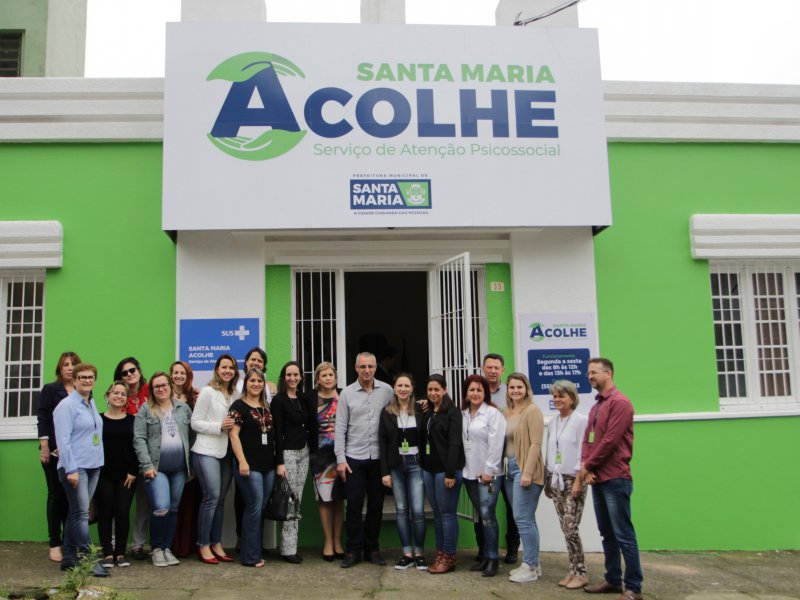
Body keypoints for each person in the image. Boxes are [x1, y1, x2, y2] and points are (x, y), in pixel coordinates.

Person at [579, 358, 643, 600]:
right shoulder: (597, 406)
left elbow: (610, 441)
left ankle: (634, 588)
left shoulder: (620, 403)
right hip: (597, 478)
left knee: (624, 534)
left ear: (609, 373)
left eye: (594, 372)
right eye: (588, 373)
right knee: (607, 533)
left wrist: (588, 466)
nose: (590, 376)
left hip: (616, 478)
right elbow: (589, 439)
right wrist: (586, 466)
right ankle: (613, 579)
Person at [335, 352, 393, 568]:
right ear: (355, 368)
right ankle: (353, 549)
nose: (367, 370)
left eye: (370, 366)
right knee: (354, 506)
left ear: (376, 367)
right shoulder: (347, 394)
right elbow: (340, 428)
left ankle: (372, 548)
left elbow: (400, 413)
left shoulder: (387, 391)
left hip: (379, 458)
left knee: (377, 506)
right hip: (354, 458)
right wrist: (341, 459)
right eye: (363, 366)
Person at [52, 362, 107, 576]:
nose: (86, 380)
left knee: (76, 512)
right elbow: (63, 441)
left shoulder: (90, 403)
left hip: (94, 465)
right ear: (74, 380)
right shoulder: (66, 406)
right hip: (76, 468)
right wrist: (71, 469)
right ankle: (89, 559)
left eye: (90, 377)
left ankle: (68, 557)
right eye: (82, 377)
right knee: (81, 514)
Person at [133, 371, 192, 568]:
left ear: (170, 385)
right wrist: (147, 465)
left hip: (179, 470)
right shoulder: (146, 410)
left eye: (164, 384)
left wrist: (191, 465)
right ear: (152, 390)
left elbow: (192, 436)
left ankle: (167, 548)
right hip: (156, 470)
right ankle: (156, 548)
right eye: (156, 386)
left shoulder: (183, 409)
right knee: (161, 508)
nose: (161, 388)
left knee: (173, 509)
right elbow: (139, 439)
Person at [191, 354, 238, 564]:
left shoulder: (235, 394)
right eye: (224, 367)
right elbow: (195, 422)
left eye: (231, 367)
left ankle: (216, 542)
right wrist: (218, 426)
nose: (228, 370)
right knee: (211, 497)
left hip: (227, 453)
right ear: (217, 369)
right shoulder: (208, 392)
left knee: (220, 501)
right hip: (206, 450)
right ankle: (203, 544)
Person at [379, 373, 427, 571]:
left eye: (407, 385)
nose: (403, 389)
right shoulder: (387, 412)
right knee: (401, 510)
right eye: (400, 385)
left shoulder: (421, 409)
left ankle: (420, 553)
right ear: (394, 388)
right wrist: (385, 472)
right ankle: (407, 553)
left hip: (416, 464)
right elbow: (382, 443)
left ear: (412, 388)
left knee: (417, 510)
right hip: (396, 466)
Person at [544, 380, 589, 589]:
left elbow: (584, 452)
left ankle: (581, 572)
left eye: (561, 396)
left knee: (571, 526)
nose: (557, 400)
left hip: (574, 479)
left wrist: (580, 479)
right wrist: (547, 479)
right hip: (556, 479)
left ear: (572, 397)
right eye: (554, 396)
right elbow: (550, 452)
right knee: (564, 526)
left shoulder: (580, 421)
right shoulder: (553, 422)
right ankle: (572, 570)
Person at [229, 369, 276, 568]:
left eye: (259, 381)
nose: (256, 384)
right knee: (254, 507)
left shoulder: (266, 407)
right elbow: (233, 435)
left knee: (261, 508)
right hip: (249, 465)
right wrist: (242, 460)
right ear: (245, 383)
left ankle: (255, 552)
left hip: (268, 465)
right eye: (252, 380)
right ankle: (249, 556)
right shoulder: (238, 406)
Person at [271, 360, 317, 564]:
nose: (292, 378)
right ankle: (288, 549)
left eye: (295, 375)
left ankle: (292, 546)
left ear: (301, 377)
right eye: (288, 375)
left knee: (297, 497)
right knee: (289, 499)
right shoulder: (279, 401)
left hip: (304, 452)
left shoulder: (304, 399)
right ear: (284, 377)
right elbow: (277, 433)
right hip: (287, 454)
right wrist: (279, 461)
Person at [37, 351, 80, 563]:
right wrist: (44, 445)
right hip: (54, 453)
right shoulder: (50, 390)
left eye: (73, 364)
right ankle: (55, 543)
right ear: (60, 368)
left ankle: (68, 541)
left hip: (75, 454)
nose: (70, 368)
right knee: (56, 496)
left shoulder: (82, 392)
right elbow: (43, 417)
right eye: (66, 364)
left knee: (71, 500)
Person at [419, 374, 465, 574]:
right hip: (429, 470)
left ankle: (449, 557)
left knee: (447, 514)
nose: (433, 393)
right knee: (437, 514)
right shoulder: (429, 411)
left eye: (437, 389)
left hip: (446, 471)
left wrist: (450, 473)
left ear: (445, 390)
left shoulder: (453, 412)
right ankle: (439, 554)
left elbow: (455, 443)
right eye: (430, 390)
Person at [461, 374, 506, 577]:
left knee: (488, 515)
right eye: (472, 390)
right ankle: (484, 555)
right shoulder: (462, 414)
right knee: (480, 515)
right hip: (469, 473)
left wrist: (489, 470)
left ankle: (493, 558)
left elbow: (497, 445)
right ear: (466, 393)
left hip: (488, 474)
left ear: (485, 393)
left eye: (479, 390)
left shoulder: (492, 414)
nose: (475, 393)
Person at [504, 372, 545, 584]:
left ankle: (529, 566)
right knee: (526, 518)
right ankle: (534, 564)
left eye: (519, 387)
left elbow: (536, 444)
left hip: (524, 468)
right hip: (509, 469)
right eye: (512, 387)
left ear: (526, 388)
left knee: (522, 518)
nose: (515, 391)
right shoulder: (508, 412)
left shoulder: (532, 411)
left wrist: (527, 472)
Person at [481, 352, 519, 565]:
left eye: (497, 368)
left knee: (512, 506)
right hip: (486, 460)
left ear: (502, 370)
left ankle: (513, 548)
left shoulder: (510, 392)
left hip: (510, 457)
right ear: (483, 368)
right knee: (485, 507)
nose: (493, 371)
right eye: (489, 367)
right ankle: (485, 550)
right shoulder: (478, 390)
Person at [96, 381, 138, 569]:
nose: (118, 396)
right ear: (107, 395)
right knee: (105, 513)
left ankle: (120, 553)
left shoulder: (132, 421)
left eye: (122, 394)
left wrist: (133, 471)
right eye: (115, 392)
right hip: (103, 474)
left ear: (126, 400)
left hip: (126, 475)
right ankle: (106, 553)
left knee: (122, 512)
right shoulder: (97, 420)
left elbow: (137, 447)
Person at [113, 356, 150, 560]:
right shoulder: (118, 395)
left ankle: (137, 545)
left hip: (146, 458)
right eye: (125, 372)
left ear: (139, 370)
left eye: (132, 370)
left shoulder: (149, 391)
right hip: (125, 458)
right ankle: (113, 545)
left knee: (144, 505)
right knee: (119, 505)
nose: (129, 374)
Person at [310, 361, 345, 561]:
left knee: (339, 498)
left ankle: (338, 540)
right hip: (320, 456)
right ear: (318, 379)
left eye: (331, 374)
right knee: (325, 499)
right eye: (324, 375)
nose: (328, 378)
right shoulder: (311, 399)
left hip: (341, 454)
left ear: (335, 377)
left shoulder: (344, 396)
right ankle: (328, 542)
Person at [169, 361, 200, 558]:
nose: (179, 376)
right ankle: (170, 545)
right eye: (176, 372)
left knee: (189, 502)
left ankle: (186, 545)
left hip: (189, 455)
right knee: (172, 502)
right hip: (168, 457)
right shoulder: (161, 395)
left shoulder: (194, 397)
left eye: (183, 373)